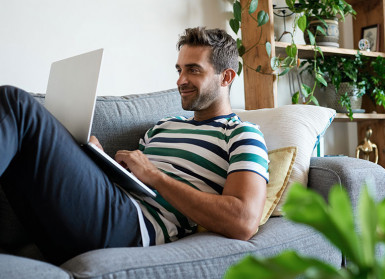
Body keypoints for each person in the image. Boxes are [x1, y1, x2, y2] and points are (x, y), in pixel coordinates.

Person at [0, 27, 269, 265]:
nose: (180, 80)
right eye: (179, 70)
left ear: (227, 77)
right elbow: (129, 183)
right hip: (102, 211)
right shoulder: (163, 126)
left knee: (15, 103)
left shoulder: (241, 134)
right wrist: (96, 160)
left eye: (193, 70)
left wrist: (154, 175)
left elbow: (243, 222)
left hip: (134, 227)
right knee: (21, 145)